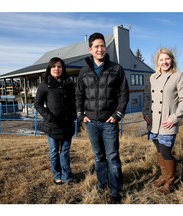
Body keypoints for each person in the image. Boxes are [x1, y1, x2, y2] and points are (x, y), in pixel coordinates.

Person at [75, 32, 129, 204]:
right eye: (96, 46)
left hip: (109, 122)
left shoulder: (116, 69)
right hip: (91, 123)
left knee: (112, 157)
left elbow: (124, 94)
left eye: (102, 46)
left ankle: (115, 191)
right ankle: (101, 184)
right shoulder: (83, 72)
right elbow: (78, 95)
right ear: (90, 49)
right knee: (99, 156)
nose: (100, 49)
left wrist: (118, 114)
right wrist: (80, 115)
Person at [143, 48, 183, 194]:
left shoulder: (178, 76)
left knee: (165, 151)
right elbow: (147, 97)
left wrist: (174, 117)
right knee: (159, 150)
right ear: (157, 62)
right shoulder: (152, 77)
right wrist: (145, 114)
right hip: (153, 123)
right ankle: (164, 176)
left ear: (172, 60)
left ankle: (170, 182)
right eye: (161, 59)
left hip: (167, 122)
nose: (164, 62)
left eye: (167, 59)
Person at [34, 57, 76, 185]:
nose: (56, 69)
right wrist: (49, 117)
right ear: (49, 69)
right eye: (53, 67)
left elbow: (74, 102)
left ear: (63, 69)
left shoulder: (69, 84)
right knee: (54, 152)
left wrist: (74, 115)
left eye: (59, 66)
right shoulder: (44, 85)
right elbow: (38, 103)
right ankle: (57, 176)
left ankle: (66, 176)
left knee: (65, 152)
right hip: (52, 125)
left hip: (67, 124)